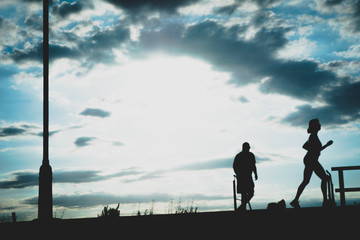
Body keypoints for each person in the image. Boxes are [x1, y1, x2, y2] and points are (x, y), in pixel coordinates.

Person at [290, 119, 333, 208]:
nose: (320, 125)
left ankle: (295, 200)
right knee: (324, 178)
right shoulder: (313, 136)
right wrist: (325, 146)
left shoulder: (313, 136)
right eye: (318, 124)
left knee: (306, 181)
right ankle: (325, 201)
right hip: (311, 160)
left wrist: (321, 147)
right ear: (315, 126)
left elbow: (305, 146)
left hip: (310, 159)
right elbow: (313, 148)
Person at [233, 142, 258, 211]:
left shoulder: (250, 155)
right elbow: (235, 166)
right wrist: (239, 174)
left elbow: (253, 165)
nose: (249, 148)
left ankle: (241, 207)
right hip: (242, 177)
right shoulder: (239, 156)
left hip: (247, 176)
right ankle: (243, 209)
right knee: (244, 194)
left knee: (250, 192)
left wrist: (255, 173)